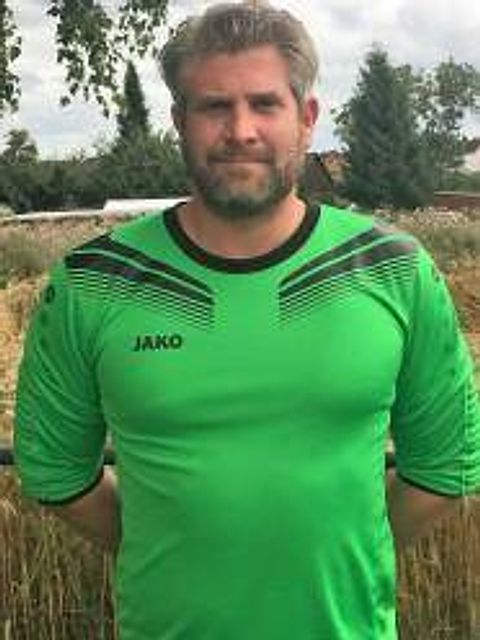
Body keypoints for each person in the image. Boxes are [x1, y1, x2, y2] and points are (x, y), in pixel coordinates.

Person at [14, 2, 480, 639]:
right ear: (179, 122)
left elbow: (445, 468)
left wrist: (346, 550)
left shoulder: (396, 269)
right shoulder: (91, 282)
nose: (240, 130)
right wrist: (168, 542)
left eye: (265, 104)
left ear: (306, 118)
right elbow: (56, 472)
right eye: (214, 106)